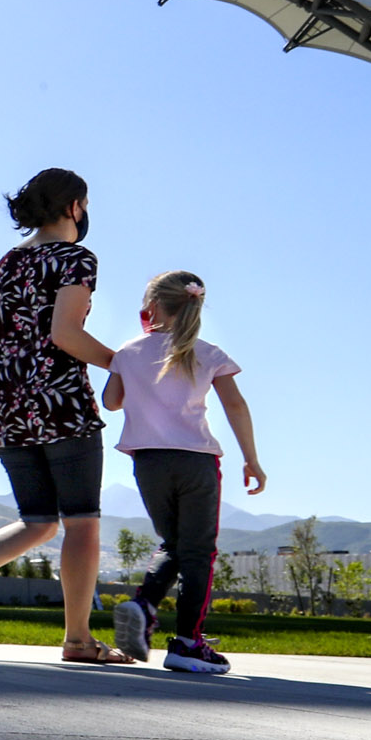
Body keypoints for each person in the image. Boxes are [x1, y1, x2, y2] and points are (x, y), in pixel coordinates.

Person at [0, 168, 131, 664]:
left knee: (38, 521)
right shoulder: (76, 258)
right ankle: (79, 640)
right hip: (61, 402)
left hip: (11, 405)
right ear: (74, 207)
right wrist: (121, 363)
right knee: (82, 523)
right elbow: (66, 335)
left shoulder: (4, 264)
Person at [104, 271, 265, 674]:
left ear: (152, 306)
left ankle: (143, 604)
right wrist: (251, 459)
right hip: (195, 461)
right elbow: (236, 407)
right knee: (198, 553)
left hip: (148, 462)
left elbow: (111, 402)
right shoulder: (208, 353)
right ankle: (189, 642)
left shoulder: (129, 350)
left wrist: (134, 372)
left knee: (172, 543)